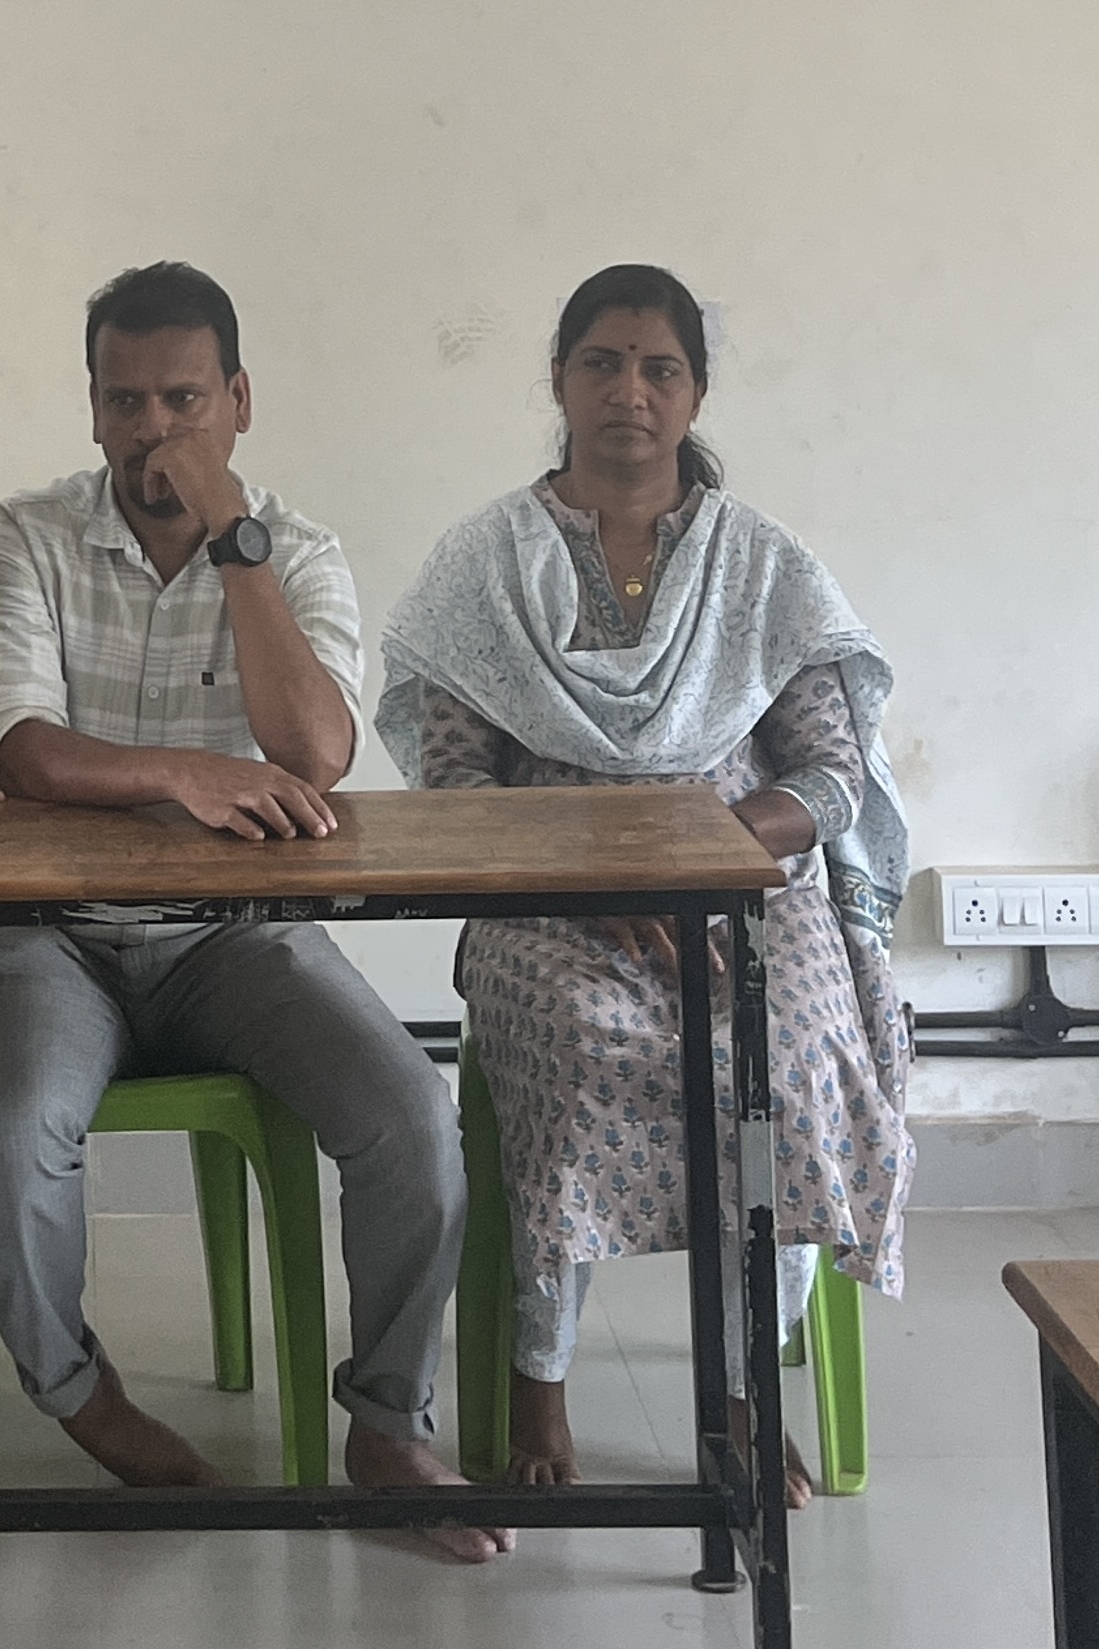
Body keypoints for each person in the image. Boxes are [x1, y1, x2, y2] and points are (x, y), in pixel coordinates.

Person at [0, 261, 506, 1569]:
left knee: (411, 1121)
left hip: (234, 930)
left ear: (238, 401)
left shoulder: (295, 550)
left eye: (183, 401)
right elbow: (18, 744)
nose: (152, 431)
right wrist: (184, 775)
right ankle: (83, 1399)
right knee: (10, 1134)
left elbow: (315, 751)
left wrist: (231, 534)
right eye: (124, 401)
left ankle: (387, 1423)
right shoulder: (29, 533)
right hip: (43, 931)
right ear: (92, 408)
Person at [378, 263, 913, 1506]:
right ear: (559, 381)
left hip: (742, 881)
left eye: (659, 368)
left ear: (695, 394)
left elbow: (830, 779)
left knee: (788, 1050)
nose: (630, 390)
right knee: (575, 1042)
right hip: (543, 892)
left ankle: (744, 1391)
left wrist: (700, 853)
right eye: (603, 364)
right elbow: (456, 789)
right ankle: (540, 1380)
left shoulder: (762, 564)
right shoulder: (485, 563)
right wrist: (585, 870)